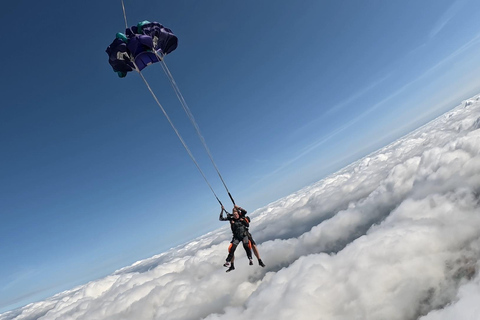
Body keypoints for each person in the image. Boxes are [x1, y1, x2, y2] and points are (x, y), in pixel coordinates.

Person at [219, 205, 253, 272]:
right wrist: (222, 210)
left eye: (236, 214)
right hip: (236, 236)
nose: (235, 216)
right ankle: (228, 262)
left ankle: (250, 258)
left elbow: (247, 223)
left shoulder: (241, 217)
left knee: (246, 245)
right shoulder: (231, 219)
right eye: (234, 214)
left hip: (243, 235)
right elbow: (221, 218)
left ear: (238, 213)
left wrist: (239, 208)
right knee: (232, 248)